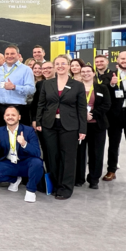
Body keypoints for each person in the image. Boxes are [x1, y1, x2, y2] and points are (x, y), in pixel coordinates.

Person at [36, 55, 87, 200]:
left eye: (63, 63)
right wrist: (38, 122)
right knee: (52, 156)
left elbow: (82, 108)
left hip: (70, 125)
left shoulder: (77, 85)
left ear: (69, 65)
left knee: (68, 157)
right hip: (49, 124)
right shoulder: (47, 84)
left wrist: (83, 129)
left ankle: (66, 188)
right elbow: (41, 104)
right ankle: (56, 184)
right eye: (57, 64)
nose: (60, 66)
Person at [0, 106, 43, 203]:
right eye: (7, 115)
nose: (10, 117)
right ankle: (14, 180)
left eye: (13, 115)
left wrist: (24, 144)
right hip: (9, 163)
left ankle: (30, 190)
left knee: (37, 162)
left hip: (25, 163)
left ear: (19, 117)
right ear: (4, 117)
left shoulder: (28, 131)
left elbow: (37, 153)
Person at [75, 65, 111, 189]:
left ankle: (94, 179)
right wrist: (82, 115)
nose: (85, 74)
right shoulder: (76, 88)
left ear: (93, 73)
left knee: (96, 153)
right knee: (79, 153)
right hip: (80, 126)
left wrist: (93, 114)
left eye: (88, 71)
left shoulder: (102, 88)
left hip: (97, 125)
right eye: (83, 72)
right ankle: (79, 178)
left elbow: (107, 105)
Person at [0, 45, 35, 129]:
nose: (9, 56)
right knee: (0, 136)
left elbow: (31, 89)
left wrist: (15, 87)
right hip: (0, 108)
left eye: (12, 53)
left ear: (18, 55)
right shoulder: (0, 69)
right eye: (7, 54)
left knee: (19, 137)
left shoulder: (26, 69)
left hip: (18, 107)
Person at [102, 51, 126, 182]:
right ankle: (111, 170)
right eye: (122, 58)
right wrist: (112, 84)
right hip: (115, 115)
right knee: (113, 145)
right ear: (117, 59)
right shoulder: (109, 75)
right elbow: (104, 91)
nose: (125, 61)